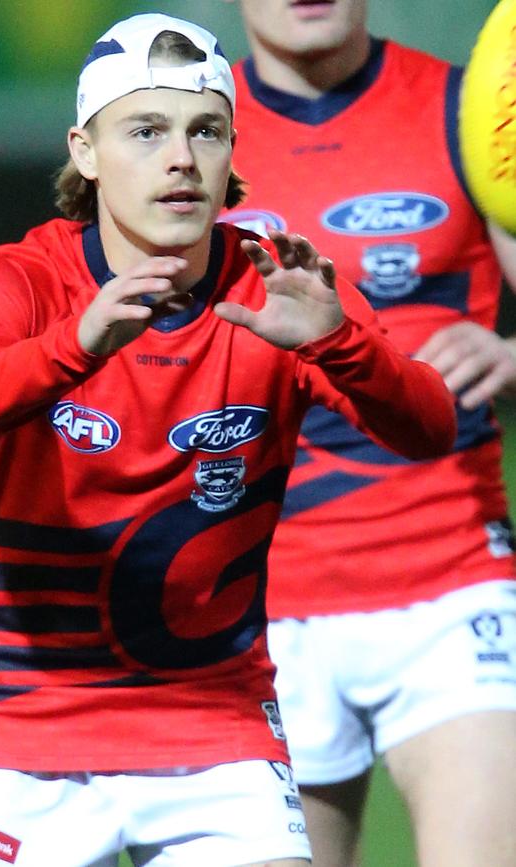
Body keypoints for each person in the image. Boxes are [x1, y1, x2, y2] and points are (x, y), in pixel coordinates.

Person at [0, 11, 456, 867]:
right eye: (145, 131)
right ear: (84, 150)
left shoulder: (277, 283)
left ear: (234, 150)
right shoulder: (15, 279)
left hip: (213, 735)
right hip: (17, 733)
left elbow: (429, 427)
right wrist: (74, 346)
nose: (181, 159)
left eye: (206, 131)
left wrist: (338, 343)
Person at [220, 1, 516, 866]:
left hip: (453, 583)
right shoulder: (196, 139)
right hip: (256, 612)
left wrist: (512, 352)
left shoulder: (469, 113)